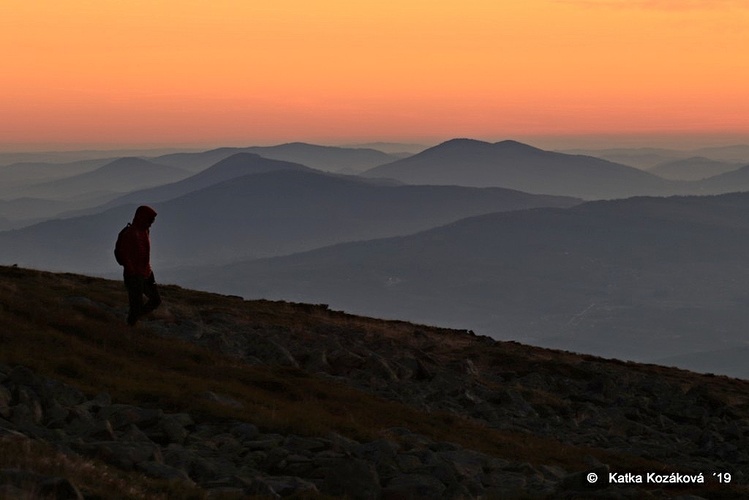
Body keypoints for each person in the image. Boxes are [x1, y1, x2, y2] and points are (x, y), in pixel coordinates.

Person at [118, 205, 161, 326]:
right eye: (150, 220)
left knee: (156, 300)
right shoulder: (130, 233)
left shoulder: (146, 231)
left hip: (146, 272)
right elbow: (124, 254)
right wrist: (132, 271)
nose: (151, 223)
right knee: (136, 305)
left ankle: (134, 319)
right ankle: (131, 326)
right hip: (134, 275)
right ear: (143, 218)